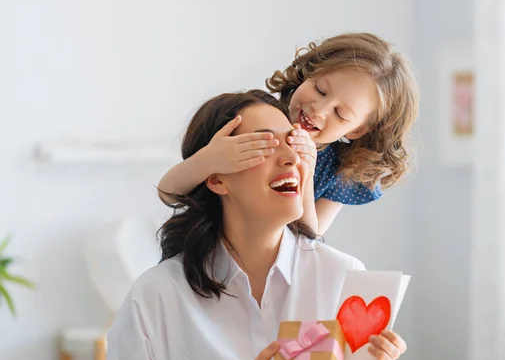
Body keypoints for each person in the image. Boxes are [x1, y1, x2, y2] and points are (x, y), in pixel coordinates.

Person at [102, 90, 406, 360]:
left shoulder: (345, 277)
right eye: (265, 144)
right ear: (217, 179)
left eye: (293, 142)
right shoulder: (156, 296)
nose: (290, 158)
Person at [157, 33, 419, 234]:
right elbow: (168, 193)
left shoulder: (341, 173)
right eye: (320, 90)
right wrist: (209, 159)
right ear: (309, 72)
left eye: (340, 114)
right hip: (200, 256)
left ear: (358, 129)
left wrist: (305, 172)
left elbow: (308, 241)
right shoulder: (254, 118)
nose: (319, 110)